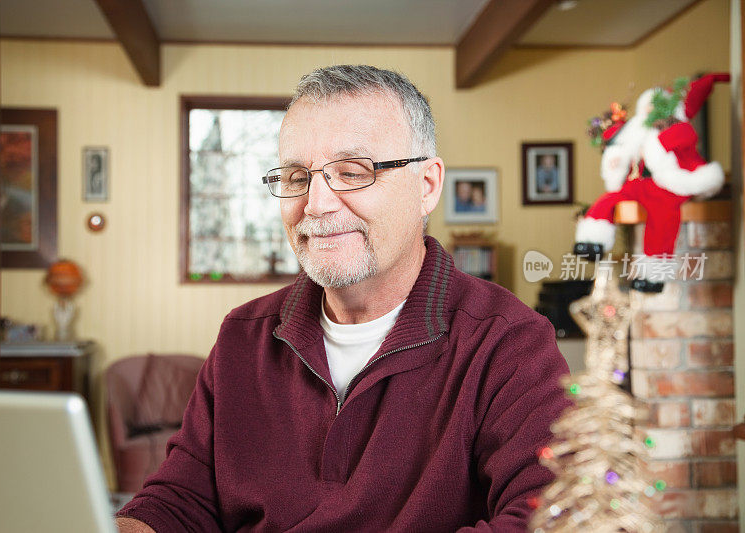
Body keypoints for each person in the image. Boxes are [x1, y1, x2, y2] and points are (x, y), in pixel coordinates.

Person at [116, 65, 569, 532]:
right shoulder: (241, 336)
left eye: (352, 173)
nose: (315, 204)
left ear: (427, 186)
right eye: (295, 177)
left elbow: (547, 517)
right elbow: (178, 502)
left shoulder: (510, 342)